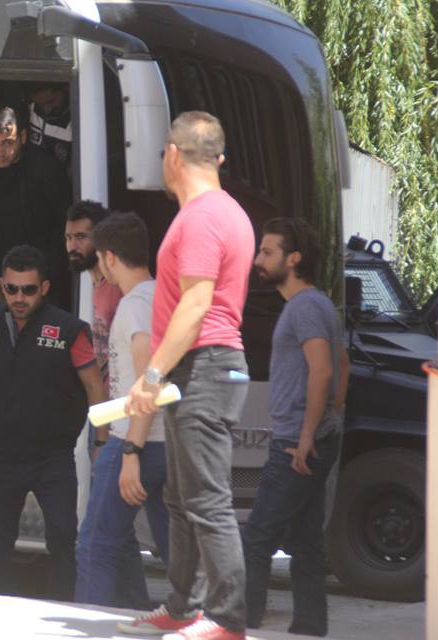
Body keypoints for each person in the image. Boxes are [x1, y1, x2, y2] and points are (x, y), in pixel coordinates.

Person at [121, 111, 255, 640]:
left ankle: (226, 619)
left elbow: (196, 304)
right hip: (202, 367)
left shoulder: (201, 218)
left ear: (173, 155)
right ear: (217, 158)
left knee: (206, 499)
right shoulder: (226, 212)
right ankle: (183, 607)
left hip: (204, 366)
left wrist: (151, 374)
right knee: (182, 498)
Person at [0, 245, 106, 601]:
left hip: (52, 457)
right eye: (11, 289)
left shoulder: (69, 330)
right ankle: (2, 616)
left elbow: (95, 388)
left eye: (28, 289)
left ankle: (64, 609)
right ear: (2, 286)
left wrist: (103, 442)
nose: (19, 298)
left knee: (63, 539)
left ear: (44, 288)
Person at [244, 218, 350, 637]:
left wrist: (308, 435)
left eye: (267, 252)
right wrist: (330, 417)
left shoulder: (304, 307)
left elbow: (323, 369)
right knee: (305, 544)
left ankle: (239, 626)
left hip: (295, 443)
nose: (258, 260)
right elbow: (343, 363)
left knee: (257, 539)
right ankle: (309, 627)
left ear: (294, 259)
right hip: (314, 437)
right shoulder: (320, 304)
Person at [75, 212, 170, 609]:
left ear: (110, 258)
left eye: (99, 258)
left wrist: (130, 450)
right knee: (172, 546)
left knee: (95, 545)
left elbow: (150, 381)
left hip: (135, 439)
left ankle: (90, 626)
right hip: (163, 442)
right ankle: (188, 617)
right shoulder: (161, 296)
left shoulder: (135, 306)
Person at [0, 108, 72, 311]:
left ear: (23, 137)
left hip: (42, 278)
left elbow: (65, 220)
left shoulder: (45, 169)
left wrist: (54, 270)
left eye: (7, 142)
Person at [64, 200, 123, 447]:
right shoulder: (95, 284)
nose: (72, 246)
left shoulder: (119, 286)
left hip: (121, 412)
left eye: (81, 237)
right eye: (68, 238)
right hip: (101, 408)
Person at [26, 82, 72, 170]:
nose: (47, 110)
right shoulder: (30, 115)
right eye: (41, 105)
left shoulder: (83, 113)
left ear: (65, 89)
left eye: (51, 101)